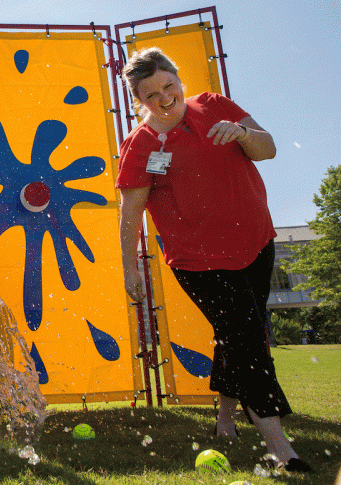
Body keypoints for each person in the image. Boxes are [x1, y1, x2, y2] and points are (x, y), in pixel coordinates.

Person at [116, 47, 311, 473]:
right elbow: (131, 212)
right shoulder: (140, 145)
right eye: (151, 95)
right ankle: (281, 449)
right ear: (138, 101)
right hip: (198, 261)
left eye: (169, 86)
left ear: (178, 77)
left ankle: (225, 418)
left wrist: (242, 134)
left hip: (257, 244)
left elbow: (269, 149)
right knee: (247, 338)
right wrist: (131, 267)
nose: (165, 99)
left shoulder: (216, 105)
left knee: (239, 333)